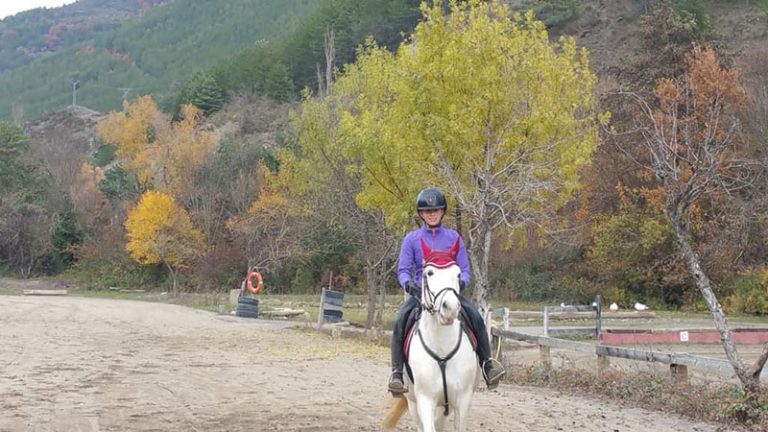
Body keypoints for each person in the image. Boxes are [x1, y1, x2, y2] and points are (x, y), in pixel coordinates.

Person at [388, 187, 506, 395]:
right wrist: (409, 285)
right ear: (421, 214)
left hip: (449, 293)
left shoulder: (454, 238)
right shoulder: (411, 239)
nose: (432, 213)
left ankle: (488, 364)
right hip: (422, 295)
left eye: (436, 209)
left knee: (476, 317)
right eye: (427, 211)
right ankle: (397, 373)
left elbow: (465, 269)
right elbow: (403, 270)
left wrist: (461, 283)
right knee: (400, 322)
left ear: (442, 211)